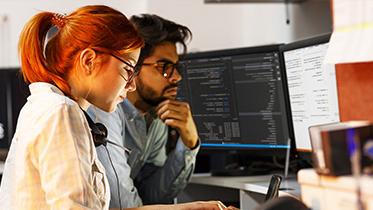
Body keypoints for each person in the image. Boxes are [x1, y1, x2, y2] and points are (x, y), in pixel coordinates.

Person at [0, 4, 235, 210]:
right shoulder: (62, 111)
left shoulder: (51, 105)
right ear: (89, 60)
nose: (131, 85)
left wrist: (192, 208)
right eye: (128, 69)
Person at [88, 14, 200, 208]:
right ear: (134, 66)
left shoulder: (155, 117)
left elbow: (153, 196)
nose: (176, 77)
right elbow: (121, 204)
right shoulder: (104, 110)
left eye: (176, 67)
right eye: (164, 67)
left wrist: (189, 144)